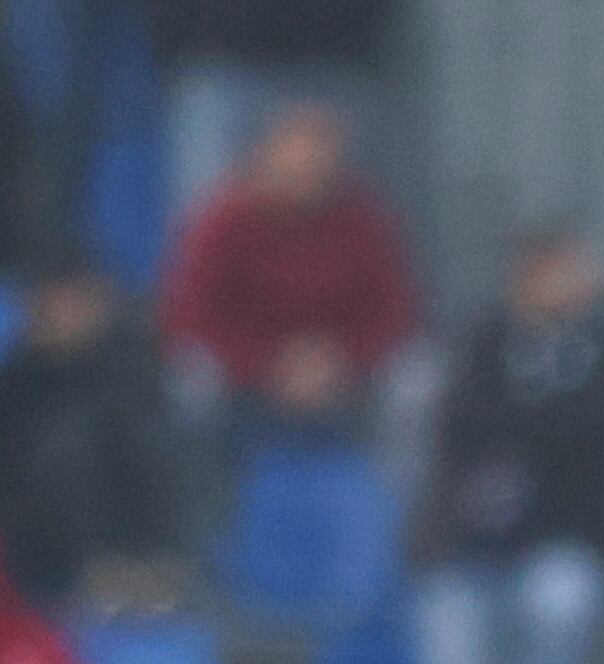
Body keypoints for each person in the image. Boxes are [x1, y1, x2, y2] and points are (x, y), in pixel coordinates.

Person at [407, 223, 604, 664]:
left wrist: (533, 418)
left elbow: (596, 441)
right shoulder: (485, 339)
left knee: (564, 601)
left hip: (553, 540)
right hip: (466, 550)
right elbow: (461, 432)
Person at [156, 100, 412, 439]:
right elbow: (189, 316)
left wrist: (340, 359)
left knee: (415, 382)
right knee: (190, 383)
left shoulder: (362, 220)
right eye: (295, 162)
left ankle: (396, 492)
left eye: (318, 162)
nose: (305, 173)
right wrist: (267, 362)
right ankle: (205, 491)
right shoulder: (221, 221)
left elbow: (394, 311)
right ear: (265, 157)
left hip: (338, 367)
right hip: (247, 368)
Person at [0, 264, 190, 610]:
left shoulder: (134, 357)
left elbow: (139, 429)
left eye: (74, 302)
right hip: (46, 545)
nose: (64, 315)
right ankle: (98, 573)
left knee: (142, 444)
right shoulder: (19, 375)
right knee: (60, 452)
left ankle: (151, 569)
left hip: (133, 524)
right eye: (52, 304)